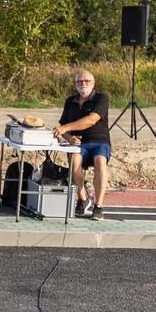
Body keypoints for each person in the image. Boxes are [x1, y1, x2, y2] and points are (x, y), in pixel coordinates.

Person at [53, 70, 112, 220]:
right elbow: (62, 127)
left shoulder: (102, 98)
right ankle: (82, 197)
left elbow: (92, 119)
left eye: (87, 81)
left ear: (93, 83)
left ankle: (98, 206)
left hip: (99, 141)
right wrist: (68, 137)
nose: (83, 84)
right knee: (74, 162)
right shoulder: (70, 101)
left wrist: (66, 129)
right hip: (79, 144)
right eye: (80, 81)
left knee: (100, 162)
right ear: (75, 84)